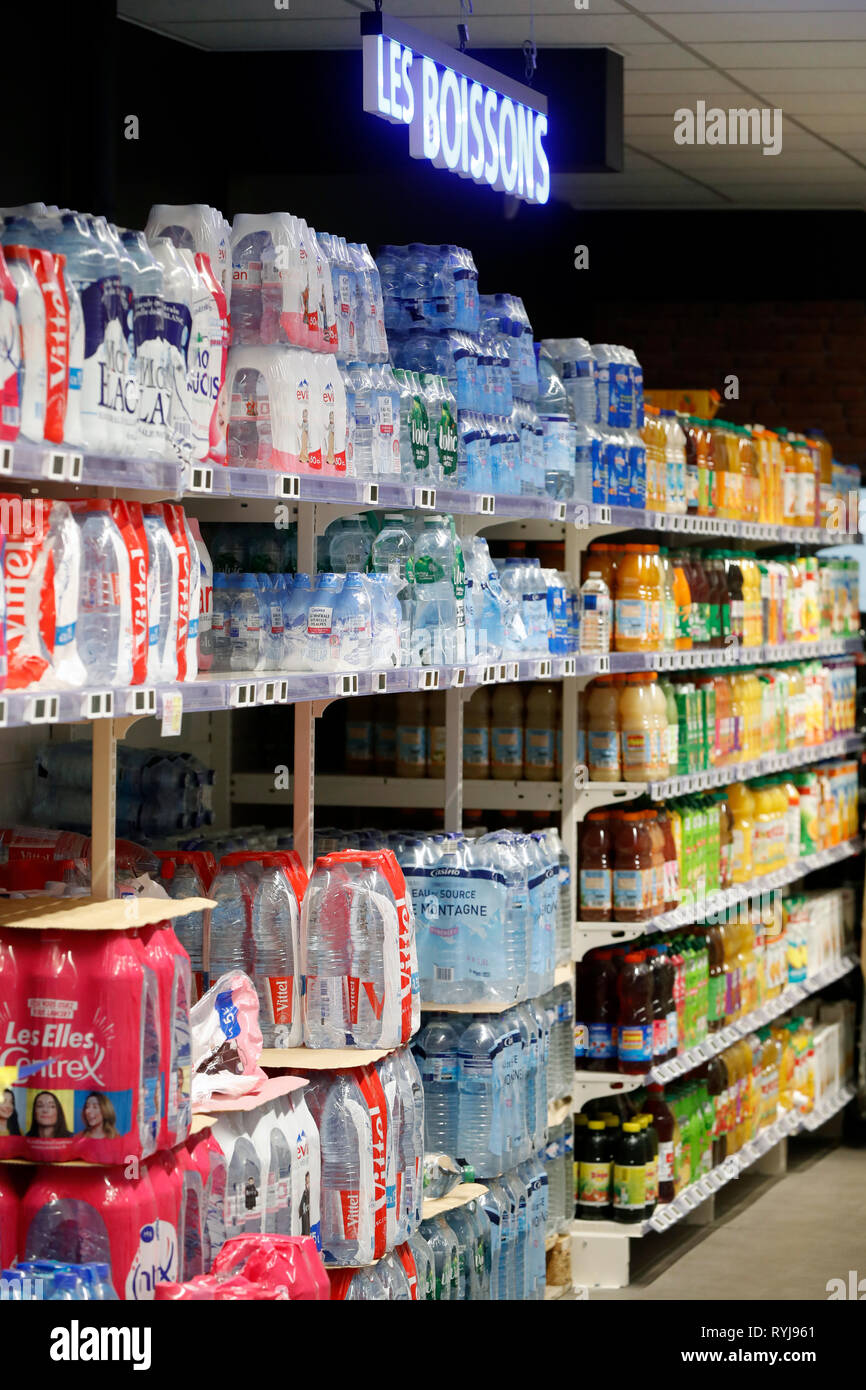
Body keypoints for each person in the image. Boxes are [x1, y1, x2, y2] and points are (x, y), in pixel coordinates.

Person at [298, 1171, 311, 1236]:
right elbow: (300, 1210)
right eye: (307, 1181)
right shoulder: (305, 1193)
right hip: (306, 1230)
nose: (308, 1184)